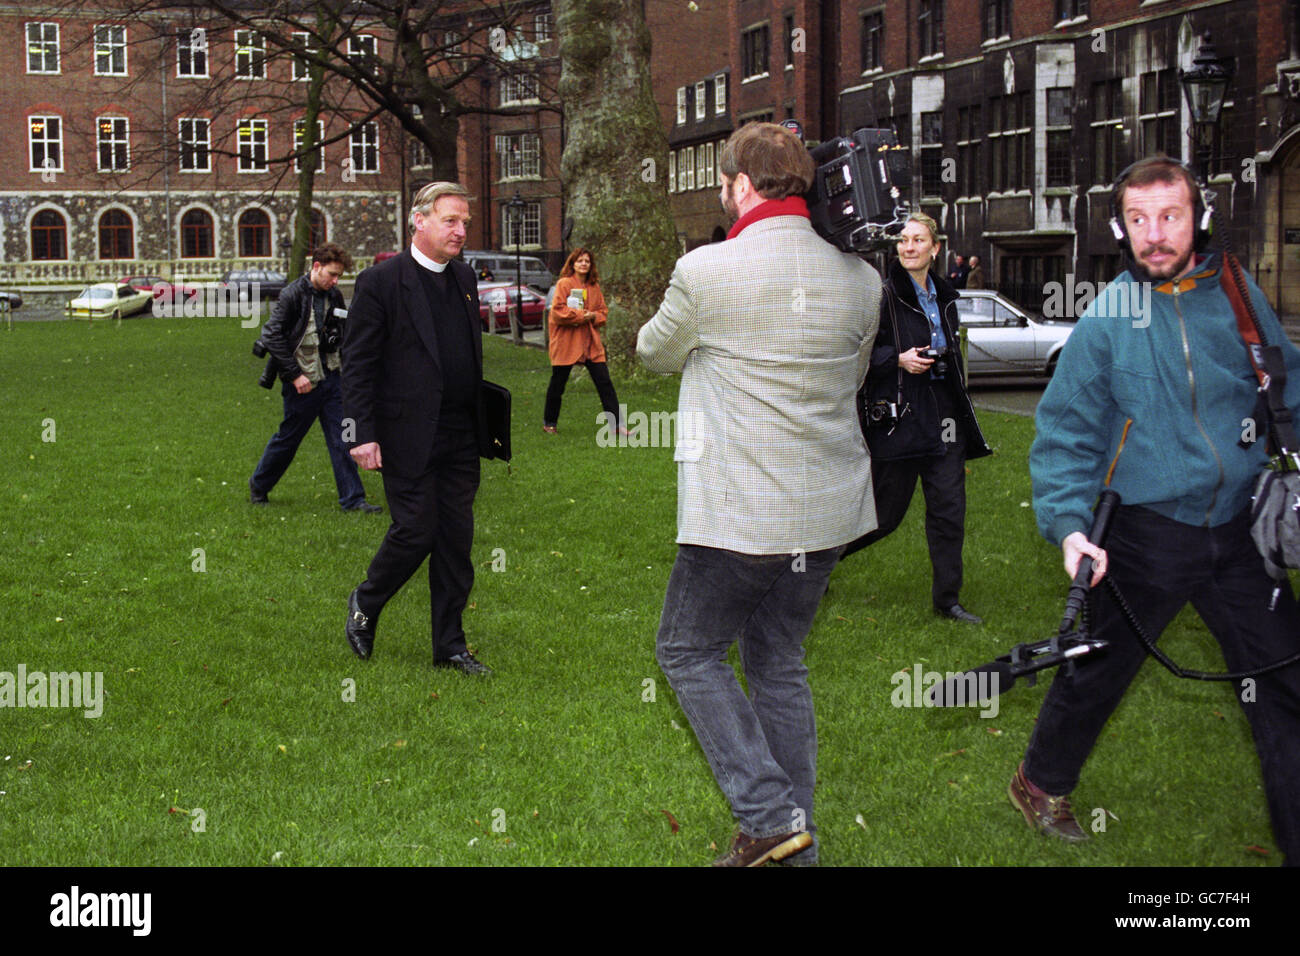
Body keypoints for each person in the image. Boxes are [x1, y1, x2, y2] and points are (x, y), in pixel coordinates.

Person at [1008, 156, 1300, 863]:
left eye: (1169, 215)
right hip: (1144, 536)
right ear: (1120, 228)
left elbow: (1286, 385)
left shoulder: (1235, 293)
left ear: (1197, 218)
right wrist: (1071, 527)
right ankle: (1041, 783)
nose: (1154, 234)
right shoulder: (1110, 317)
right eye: (1138, 220)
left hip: (1238, 530)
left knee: (1287, 684)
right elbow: (1066, 432)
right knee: (1099, 669)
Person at [638, 122, 881, 866]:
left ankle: (771, 816)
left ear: (740, 186)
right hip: (829, 511)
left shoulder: (710, 270)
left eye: (721, 182)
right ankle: (792, 843)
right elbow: (858, 377)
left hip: (741, 517)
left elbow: (650, 352)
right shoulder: (863, 278)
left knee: (686, 652)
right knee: (778, 661)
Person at [341, 182, 493, 676]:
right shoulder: (381, 282)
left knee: (455, 542)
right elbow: (357, 363)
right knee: (415, 530)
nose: (461, 230)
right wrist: (359, 433)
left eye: (465, 221)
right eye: (451, 220)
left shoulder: (465, 278)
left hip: (461, 435)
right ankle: (366, 599)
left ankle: (449, 644)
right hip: (405, 434)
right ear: (419, 221)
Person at [842, 213, 991, 623]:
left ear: (935, 248)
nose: (908, 247)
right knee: (884, 517)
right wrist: (899, 359)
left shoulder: (945, 297)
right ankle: (812, 566)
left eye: (918, 240)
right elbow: (855, 354)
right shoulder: (883, 295)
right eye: (903, 241)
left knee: (949, 510)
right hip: (903, 419)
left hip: (945, 415)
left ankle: (948, 600)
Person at [249, 243, 381, 514]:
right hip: (303, 384)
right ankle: (259, 485)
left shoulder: (333, 295)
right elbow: (272, 335)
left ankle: (353, 500)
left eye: (339, 277)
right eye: (331, 274)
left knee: (345, 438)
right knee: (288, 439)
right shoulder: (292, 294)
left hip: (332, 380)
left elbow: (340, 331)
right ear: (316, 267)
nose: (335, 281)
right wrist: (294, 375)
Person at [542, 247, 624, 435]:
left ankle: (617, 425)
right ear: (573, 264)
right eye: (580, 261)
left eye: (587, 261)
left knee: (605, 383)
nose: (584, 264)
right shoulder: (564, 284)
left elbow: (603, 313)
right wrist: (581, 316)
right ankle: (549, 423)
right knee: (558, 384)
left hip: (590, 345)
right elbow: (557, 313)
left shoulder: (594, 287)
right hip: (567, 343)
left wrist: (593, 317)